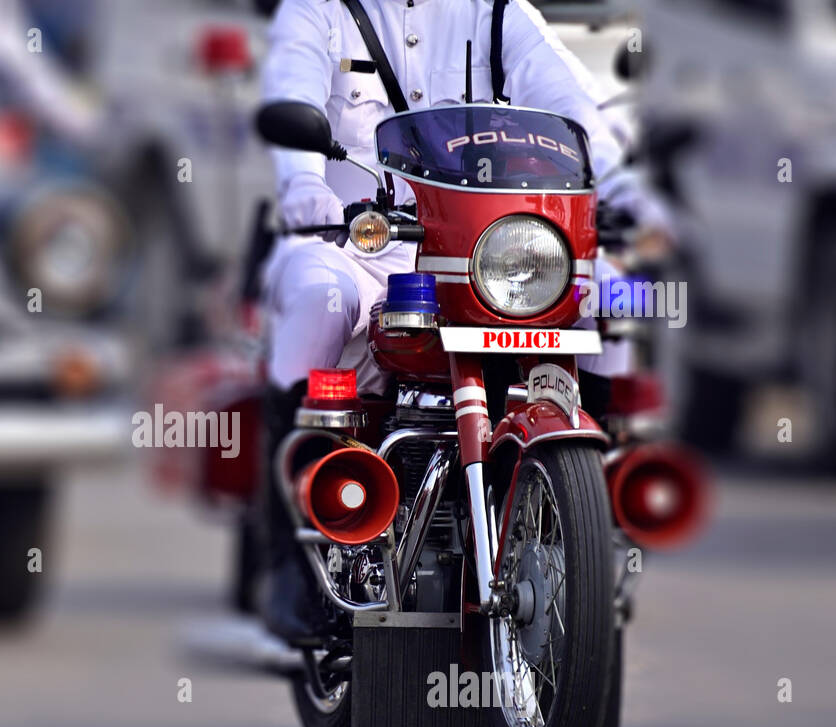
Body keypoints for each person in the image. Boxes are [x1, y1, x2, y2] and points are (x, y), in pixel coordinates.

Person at [258, 0, 671, 645]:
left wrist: (625, 194)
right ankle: (286, 554)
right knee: (322, 299)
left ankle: (593, 512)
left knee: (619, 299)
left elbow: (577, 110)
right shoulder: (319, 10)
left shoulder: (500, 13)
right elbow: (292, 92)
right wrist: (307, 190)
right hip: (353, 242)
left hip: (487, 252)